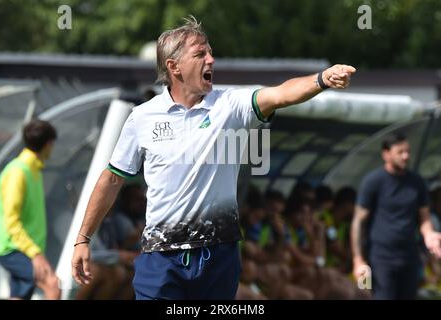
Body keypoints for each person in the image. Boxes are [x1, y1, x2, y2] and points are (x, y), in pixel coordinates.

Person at [71, 15, 355, 300]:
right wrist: (83, 239)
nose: (211, 60)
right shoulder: (142, 117)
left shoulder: (230, 104)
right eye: (200, 54)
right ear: (174, 66)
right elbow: (111, 179)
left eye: (210, 52)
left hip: (218, 258)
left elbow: (281, 94)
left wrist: (322, 79)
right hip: (161, 259)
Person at [351, 133, 441, 299]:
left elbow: (424, 217)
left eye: (407, 151)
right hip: (379, 259)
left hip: (410, 257)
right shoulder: (373, 182)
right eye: (400, 152)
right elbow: (358, 222)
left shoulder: (417, 182)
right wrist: (358, 260)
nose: (406, 156)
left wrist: (429, 234)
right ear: (386, 154)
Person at [0, 119, 60, 300]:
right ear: (48, 145)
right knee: (52, 284)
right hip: (13, 248)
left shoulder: (33, 170)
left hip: (24, 248)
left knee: (19, 296)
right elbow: (11, 221)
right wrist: (36, 254)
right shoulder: (18, 172)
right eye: (52, 144)